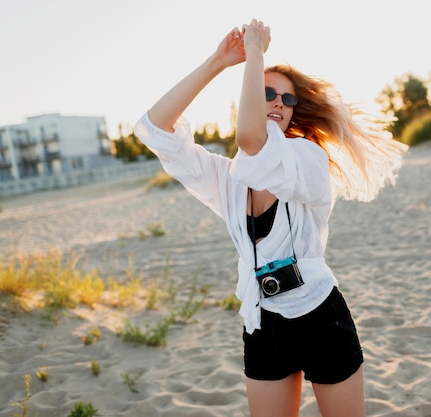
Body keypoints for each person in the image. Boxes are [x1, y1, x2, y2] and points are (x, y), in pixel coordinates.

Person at [134, 19, 407, 417]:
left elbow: (252, 140)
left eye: (287, 99)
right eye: (266, 92)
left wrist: (257, 52)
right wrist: (218, 61)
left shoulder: (306, 159)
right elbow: (153, 129)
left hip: (318, 315)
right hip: (262, 323)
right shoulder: (227, 180)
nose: (278, 102)